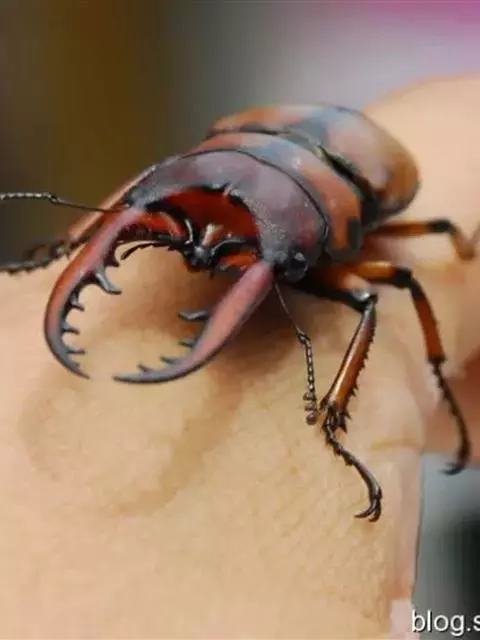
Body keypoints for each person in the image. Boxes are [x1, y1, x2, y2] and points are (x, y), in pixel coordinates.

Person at [0, 75, 479, 639]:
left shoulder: (352, 226)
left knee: (378, 295)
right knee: (136, 209)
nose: (206, 248)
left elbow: (398, 278)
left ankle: (332, 418)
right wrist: (88, 240)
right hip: (257, 139)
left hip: (339, 163)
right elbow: (144, 201)